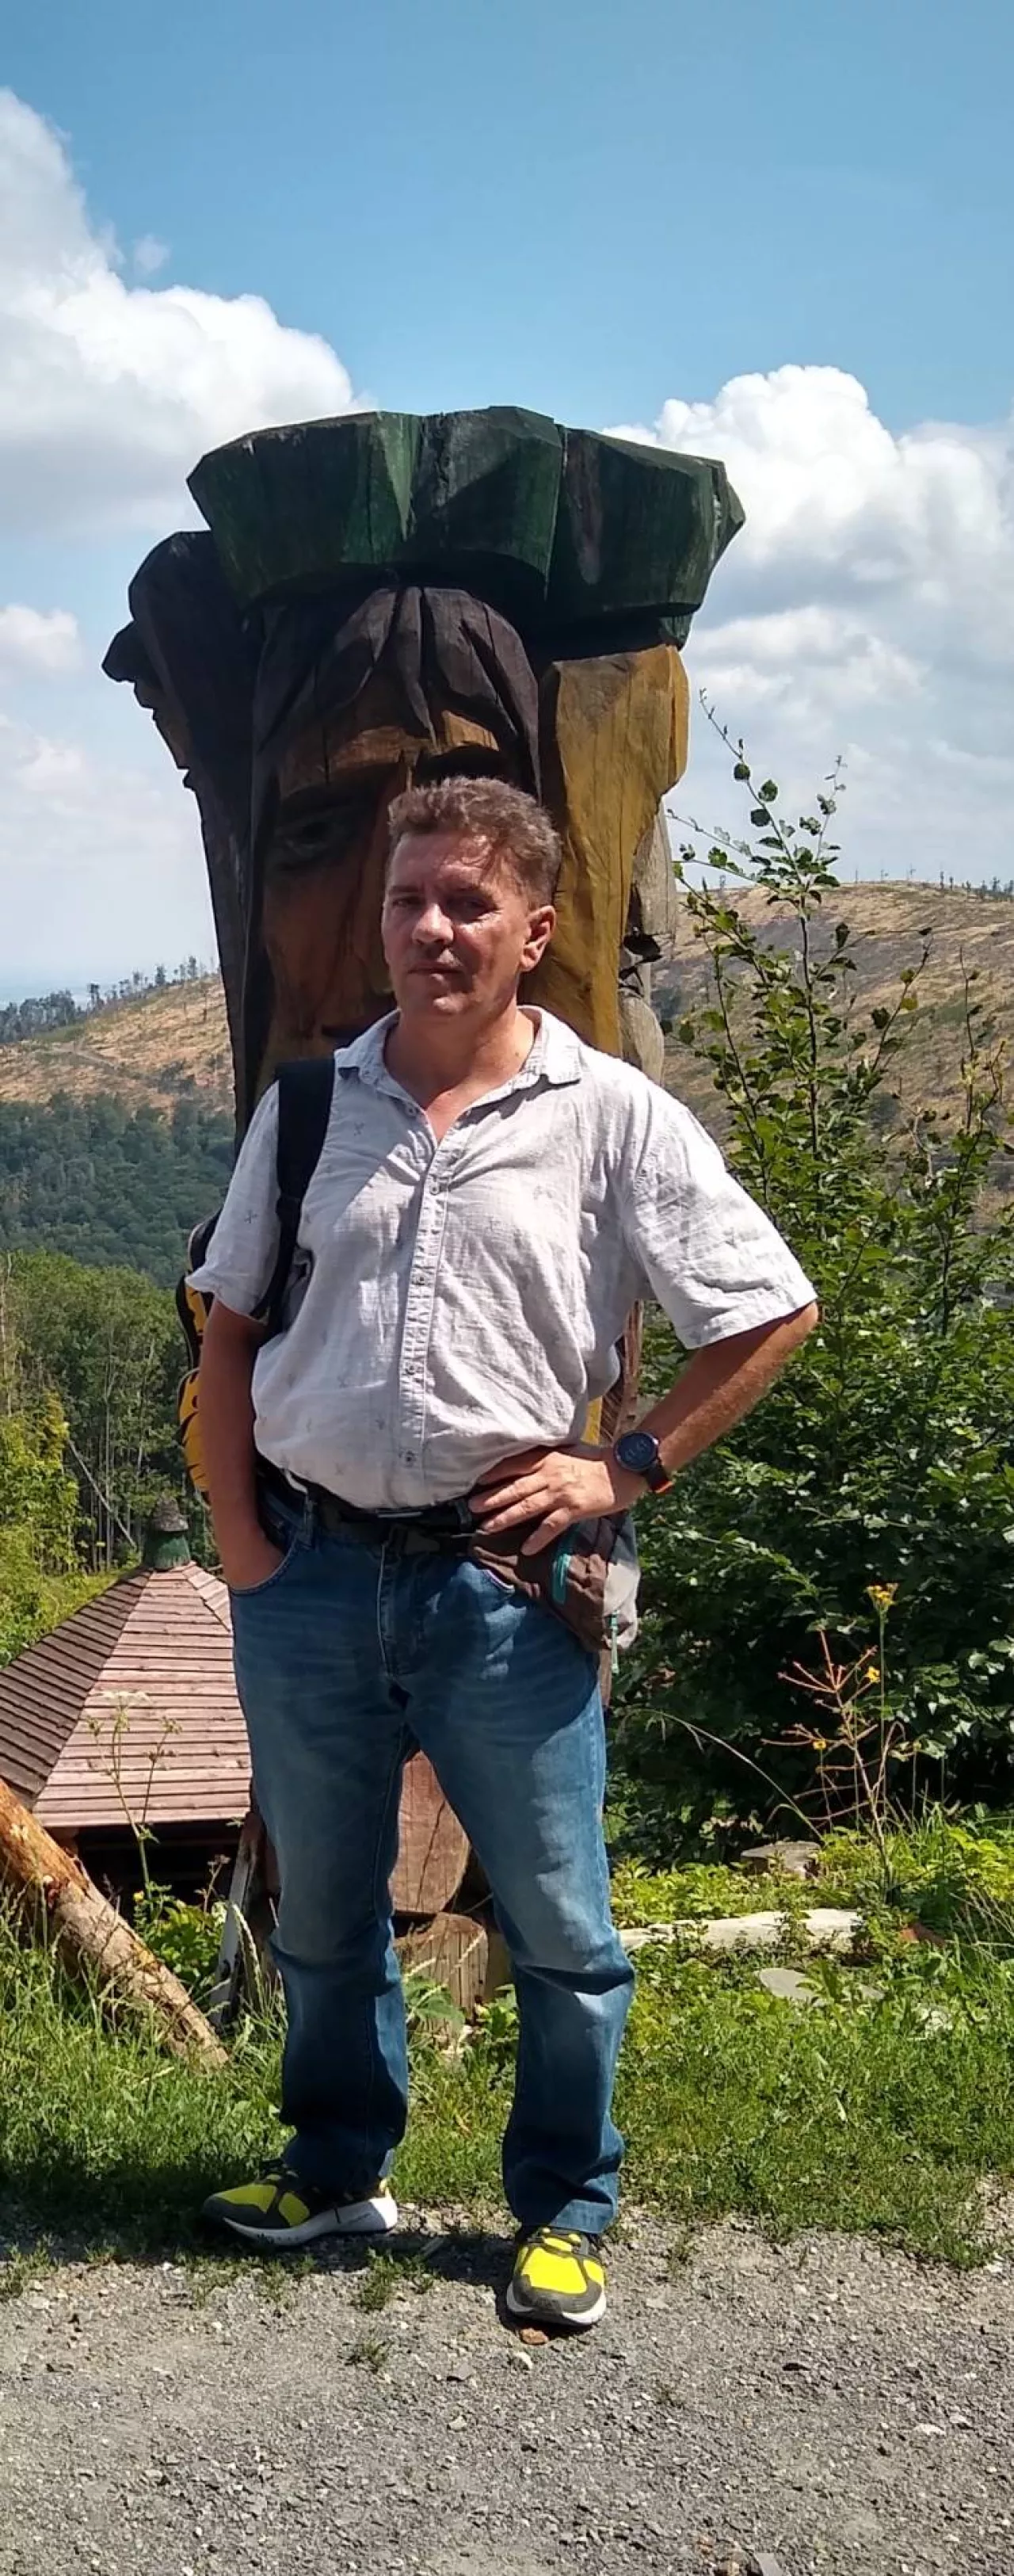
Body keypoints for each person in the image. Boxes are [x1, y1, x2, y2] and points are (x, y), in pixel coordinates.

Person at [194, 776, 817, 2330]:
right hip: (310, 1569)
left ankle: (563, 2206)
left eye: (467, 901)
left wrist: (627, 1462)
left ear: (534, 930)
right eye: (409, 898)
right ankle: (337, 2165)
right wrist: (243, 1544)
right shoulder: (312, 1107)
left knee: (559, 1925)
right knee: (323, 1913)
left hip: (506, 1580)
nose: (431, 927)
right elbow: (229, 1333)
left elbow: (769, 1309)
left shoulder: (610, 1116)